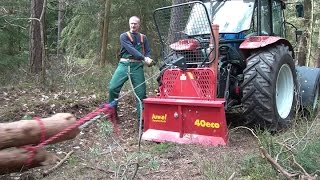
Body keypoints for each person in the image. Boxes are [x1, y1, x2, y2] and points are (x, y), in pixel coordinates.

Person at [108, 16, 153, 123]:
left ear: (139, 25)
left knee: (141, 94)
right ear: (129, 24)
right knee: (112, 88)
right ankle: (112, 116)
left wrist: (148, 58)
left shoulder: (143, 37)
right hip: (123, 65)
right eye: (131, 23)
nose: (133, 25)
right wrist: (144, 58)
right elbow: (131, 50)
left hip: (137, 67)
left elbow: (147, 51)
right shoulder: (123, 36)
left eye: (135, 24)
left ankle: (141, 120)